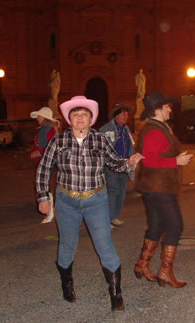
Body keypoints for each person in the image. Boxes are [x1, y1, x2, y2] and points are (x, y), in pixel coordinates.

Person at [35, 95, 144, 311]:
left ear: (90, 119)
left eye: (84, 114)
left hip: (96, 201)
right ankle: (67, 284)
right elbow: (44, 168)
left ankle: (116, 294)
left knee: (105, 245)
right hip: (67, 201)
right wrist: (43, 197)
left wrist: (128, 163)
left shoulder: (100, 139)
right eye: (75, 115)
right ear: (69, 119)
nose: (80, 118)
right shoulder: (58, 140)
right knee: (67, 245)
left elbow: (115, 163)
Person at [134, 91, 193, 288]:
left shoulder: (159, 127)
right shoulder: (154, 130)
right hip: (159, 187)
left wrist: (177, 157)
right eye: (167, 106)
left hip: (155, 186)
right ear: (157, 109)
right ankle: (165, 272)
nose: (170, 109)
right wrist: (176, 160)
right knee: (175, 226)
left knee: (157, 226)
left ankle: (142, 264)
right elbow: (149, 160)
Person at [99, 103, 135, 228]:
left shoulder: (126, 129)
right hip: (111, 166)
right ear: (116, 115)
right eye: (123, 113)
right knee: (113, 191)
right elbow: (100, 149)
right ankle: (106, 219)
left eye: (127, 113)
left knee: (121, 192)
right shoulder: (106, 128)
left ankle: (114, 216)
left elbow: (130, 145)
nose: (127, 116)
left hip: (124, 165)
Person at [30, 107, 59, 223]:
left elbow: (51, 146)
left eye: (39, 116)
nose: (37, 118)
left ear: (44, 118)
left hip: (46, 161)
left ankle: (50, 212)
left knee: (46, 186)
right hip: (46, 160)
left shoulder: (48, 129)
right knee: (47, 186)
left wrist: (39, 152)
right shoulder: (47, 129)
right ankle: (50, 211)